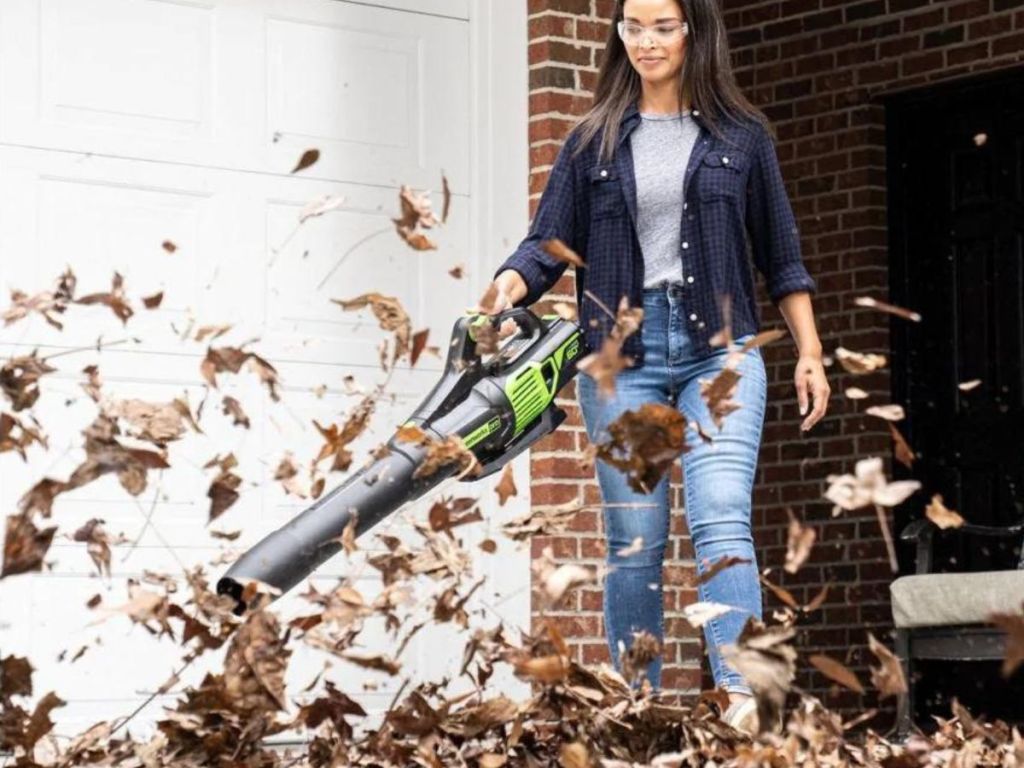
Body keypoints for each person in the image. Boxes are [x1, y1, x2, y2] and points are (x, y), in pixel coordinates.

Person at [474, 0, 829, 735]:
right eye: (632, 26)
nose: (645, 41)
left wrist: (812, 353)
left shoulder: (743, 138)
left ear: (694, 30)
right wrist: (508, 286)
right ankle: (636, 707)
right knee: (636, 540)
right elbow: (547, 243)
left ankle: (742, 703)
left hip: (720, 354)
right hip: (623, 364)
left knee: (722, 516)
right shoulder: (591, 140)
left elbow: (783, 258)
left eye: (662, 26)